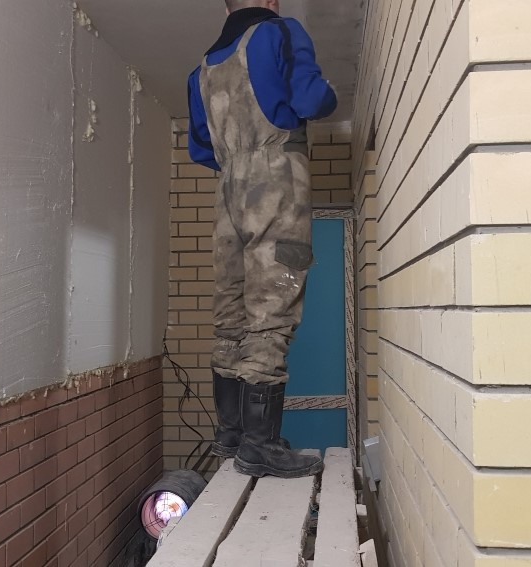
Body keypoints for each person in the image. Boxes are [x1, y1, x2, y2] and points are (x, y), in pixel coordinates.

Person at [187, 0, 337, 478]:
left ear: (225, 5)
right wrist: (330, 95)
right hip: (275, 177)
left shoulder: (202, 69)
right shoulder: (279, 31)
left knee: (231, 311)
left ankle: (231, 434)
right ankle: (260, 445)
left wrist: (237, 159)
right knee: (272, 306)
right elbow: (311, 100)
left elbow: (199, 148)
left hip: (227, 189)